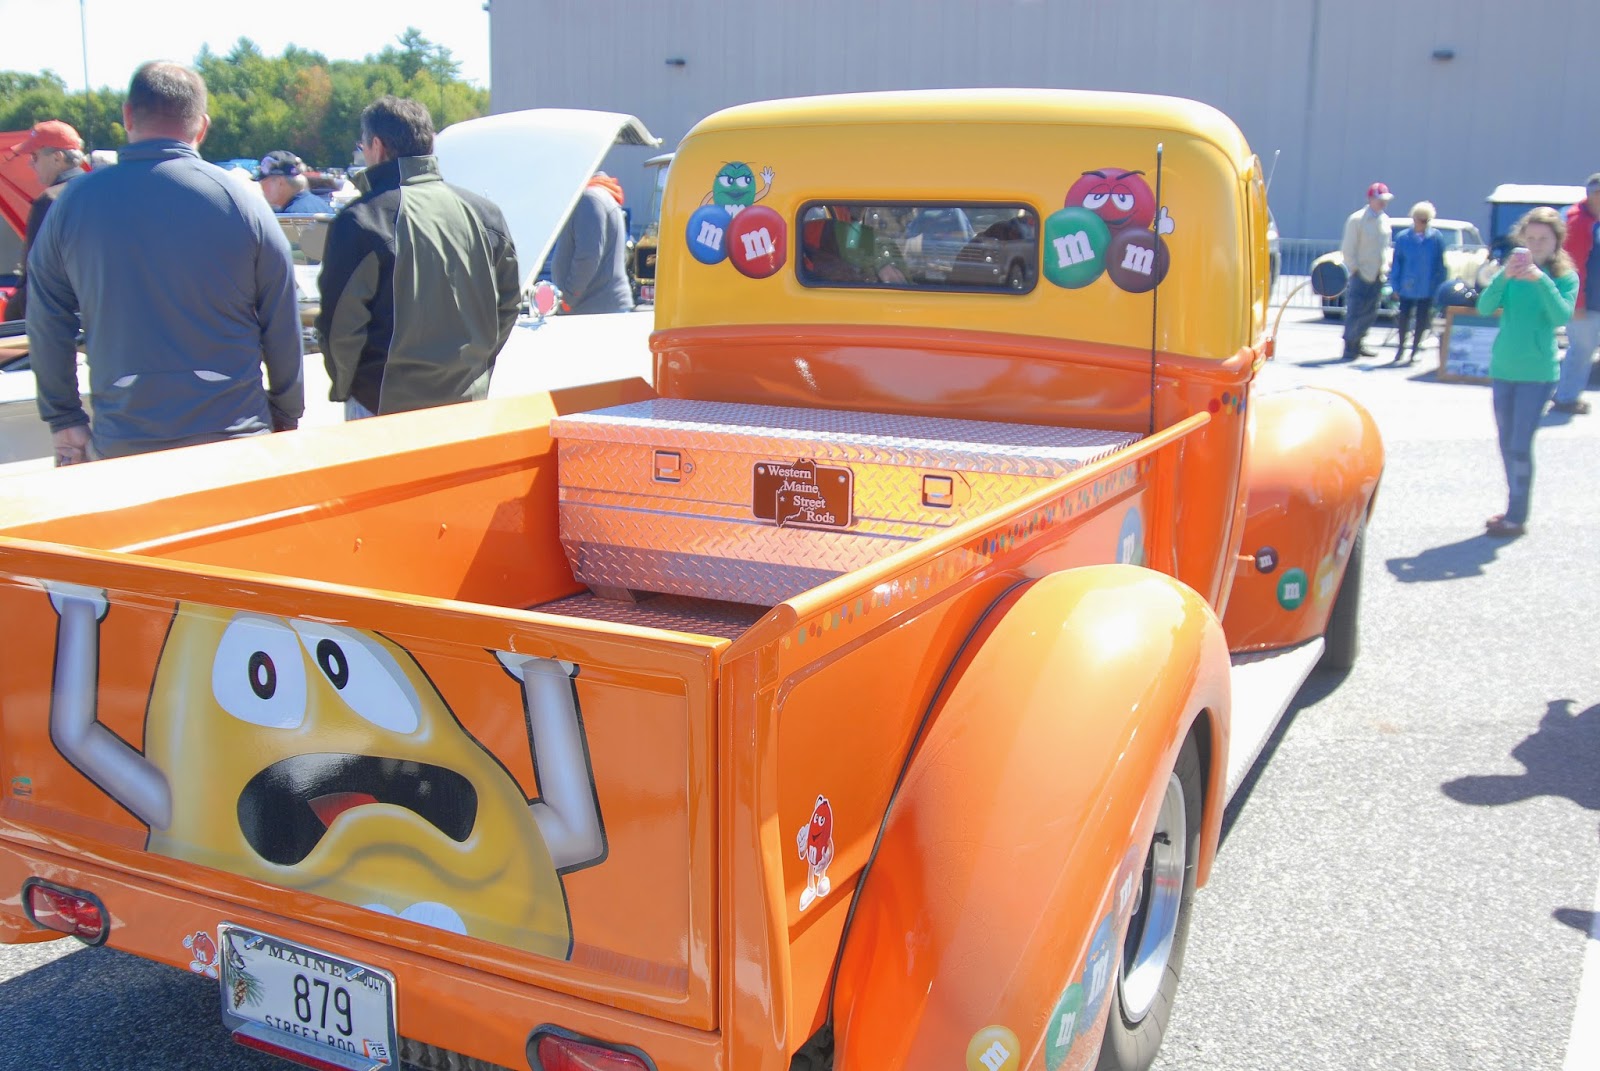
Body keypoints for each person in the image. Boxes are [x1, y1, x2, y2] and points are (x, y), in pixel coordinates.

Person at [25, 61, 303, 464]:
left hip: (124, 440)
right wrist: (285, 413)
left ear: (126, 116)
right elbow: (282, 321)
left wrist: (64, 417)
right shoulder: (243, 202)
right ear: (202, 127)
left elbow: (47, 321)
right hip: (237, 441)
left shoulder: (70, 205)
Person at [316, 95, 520, 418]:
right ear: (430, 143)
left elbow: (339, 327)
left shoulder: (361, 221)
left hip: (383, 408)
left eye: (363, 147)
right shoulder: (486, 216)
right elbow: (508, 305)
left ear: (377, 147)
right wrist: (476, 369)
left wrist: (347, 387)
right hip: (468, 403)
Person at [1474, 207, 1578, 537]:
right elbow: (1484, 307)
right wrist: (1505, 274)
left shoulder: (1563, 276)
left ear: (1556, 241)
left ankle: (1517, 517)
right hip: (1504, 367)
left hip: (1538, 373)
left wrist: (1540, 278)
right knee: (1506, 443)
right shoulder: (1511, 273)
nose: (1535, 245)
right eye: (1529, 238)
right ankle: (1512, 508)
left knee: (1520, 444)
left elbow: (1561, 315)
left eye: (1542, 239)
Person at [4, 120, 87, 322]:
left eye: (35, 156)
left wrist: (10, 319)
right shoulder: (103, 191)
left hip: (62, 326)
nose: (31, 163)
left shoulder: (49, 201)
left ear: (57, 158)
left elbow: (34, 280)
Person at [552, 172, 634, 314]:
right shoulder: (600, 197)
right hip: (600, 308)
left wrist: (568, 299)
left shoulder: (589, 199)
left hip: (593, 312)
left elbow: (588, 257)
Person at [1554, 173, 1600, 414]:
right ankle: (1565, 397)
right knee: (1581, 350)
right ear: (1590, 195)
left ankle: (1567, 394)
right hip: (1585, 302)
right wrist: (1577, 303)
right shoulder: (1579, 222)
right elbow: (1573, 266)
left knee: (1584, 350)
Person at [1388, 200, 1447, 364]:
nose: (1422, 223)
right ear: (1413, 219)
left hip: (1427, 286)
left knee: (1422, 319)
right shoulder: (1403, 238)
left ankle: (1415, 350)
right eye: (1419, 219)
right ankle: (1400, 349)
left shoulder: (1436, 238)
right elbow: (1397, 263)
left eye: (1425, 220)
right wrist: (1395, 285)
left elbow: (1441, 265)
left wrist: (1439, 287)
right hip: (1407, 285)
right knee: (1403, 318)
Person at [1340, 182, 1393, 360]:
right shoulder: (1357, 220)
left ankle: (1360, 341)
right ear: (1370, 199)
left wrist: (1386, 266)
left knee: (1371, 311)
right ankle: (1350, 346)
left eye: (1385, 200)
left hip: (1378, 273)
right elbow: (1348, 248)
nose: (1383, 203)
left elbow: (1386, 247)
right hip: (1361, 273)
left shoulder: (1385, 220)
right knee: (1355, 310)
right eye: (1380, 199)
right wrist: (1354, 269)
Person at [256, 150, 329, 215]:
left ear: (280, 183)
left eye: (263, 181)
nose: (260, 186)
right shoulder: (323, 205)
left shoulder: (290, 217)